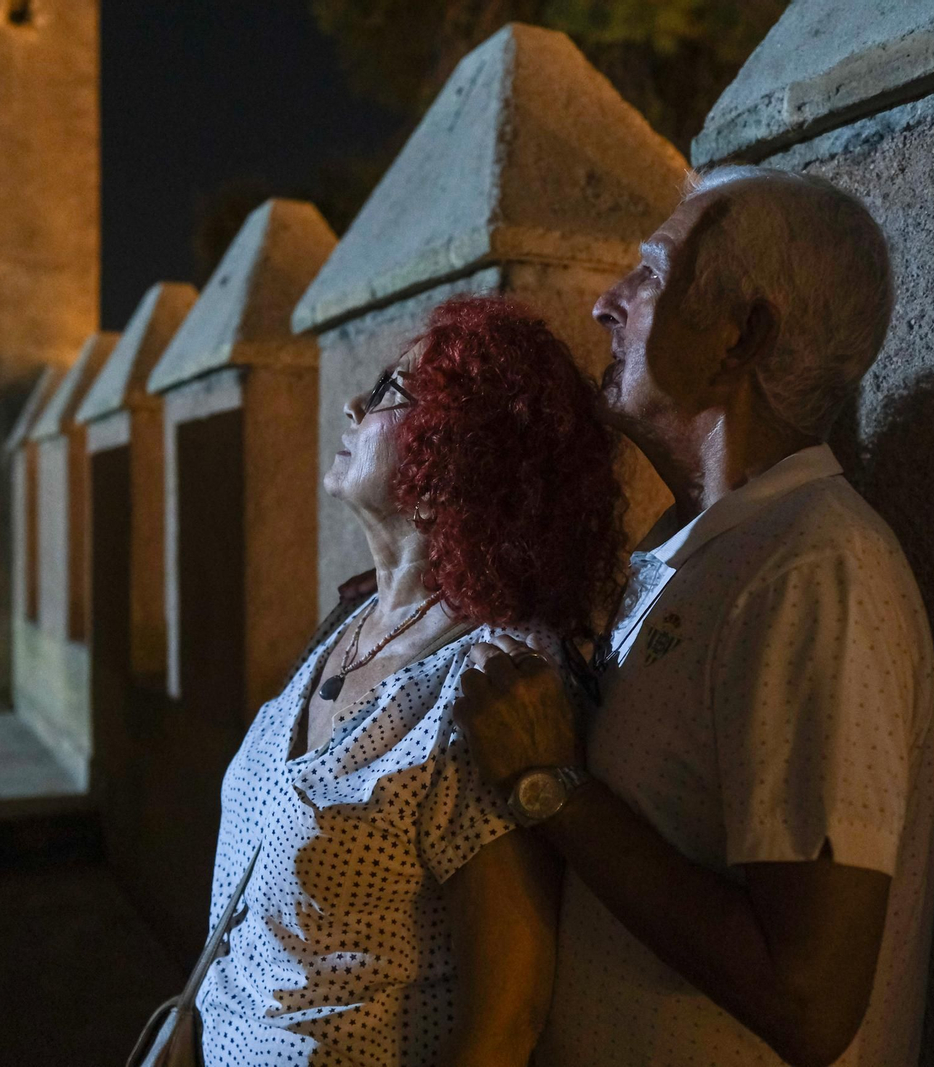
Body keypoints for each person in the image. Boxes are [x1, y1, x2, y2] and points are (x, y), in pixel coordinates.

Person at [454, 167, 934, 1067]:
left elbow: (810, 999)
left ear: (739, 336)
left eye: (650, 274)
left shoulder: (816, 569)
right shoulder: (705, 551)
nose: (606, 303)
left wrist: (553, 785)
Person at [195, 294, 628, 1067]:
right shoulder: (351, 620)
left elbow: (508, 1017)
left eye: (391, 392)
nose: (354, 404)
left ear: (456, 460)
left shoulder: (488, 683)